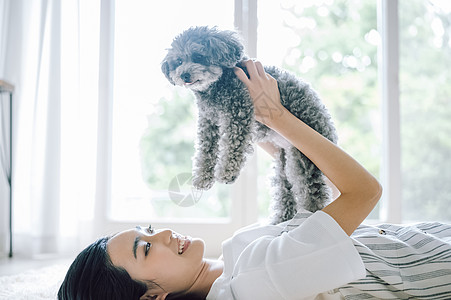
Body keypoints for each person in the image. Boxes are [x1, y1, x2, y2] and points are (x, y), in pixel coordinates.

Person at [58, 60, 451, 300]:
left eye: (149, 230)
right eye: (145, 249)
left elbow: (311, 205)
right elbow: (365, 191)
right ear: (152, 297)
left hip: (424, 238)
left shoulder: (236, 265)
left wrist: (255, 125)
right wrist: (275, 115)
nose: (163, 235)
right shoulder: (253, 281)